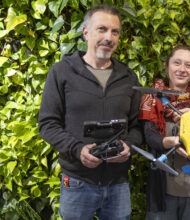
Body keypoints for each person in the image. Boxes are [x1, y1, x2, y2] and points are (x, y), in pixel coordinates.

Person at [38, 5, 142, 220]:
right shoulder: (61, 72)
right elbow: (48, 124)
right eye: (102, 29)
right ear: (86, 32)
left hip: (118, 183)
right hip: (77, 181)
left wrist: (128, 146)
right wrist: (77, 150)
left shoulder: (129, 77)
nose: (109, 37)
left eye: (115, 31)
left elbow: (137, 125)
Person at [139, 45, 190, 220]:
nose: (182, 69)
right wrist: (170, 142)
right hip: (162, 190)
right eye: (176, 63)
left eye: (188, 65)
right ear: (167, 67)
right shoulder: (152, 100)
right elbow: (149, 136)